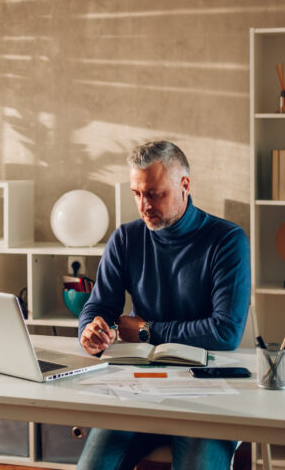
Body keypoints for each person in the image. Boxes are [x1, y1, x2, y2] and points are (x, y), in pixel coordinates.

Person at [76, 140, 251, 470]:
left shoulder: (227, 240)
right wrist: (90, 330)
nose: (144, 205)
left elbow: (225, 332)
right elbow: (99, 305)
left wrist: (147, 331)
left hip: (209, 387)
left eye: (155, 194)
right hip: (138, 385)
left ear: (184, 186)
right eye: (136, 193)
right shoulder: (126, 238)